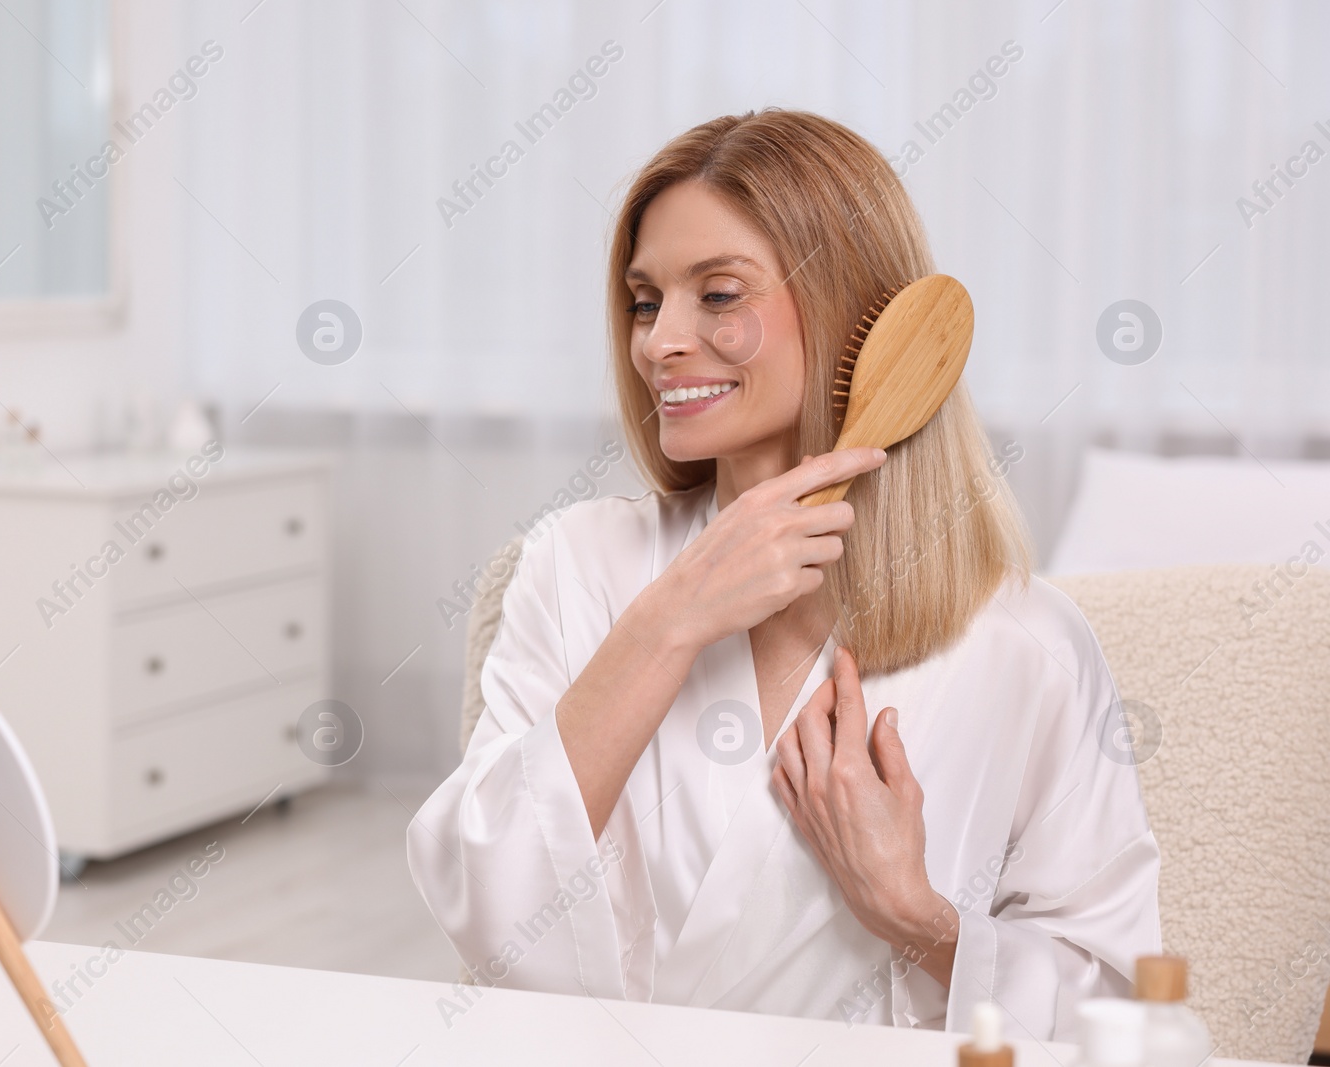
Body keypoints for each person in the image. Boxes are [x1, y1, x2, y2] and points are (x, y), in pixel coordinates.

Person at [407, 108, 1159, 1037]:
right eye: (646, 301)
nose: (658, 342)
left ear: (855, 318)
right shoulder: (573, 566)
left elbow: (1121, 1000)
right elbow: (486, 910)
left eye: (718, 295)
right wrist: (667, 621)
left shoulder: (1022, 643)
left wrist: (916, 918)